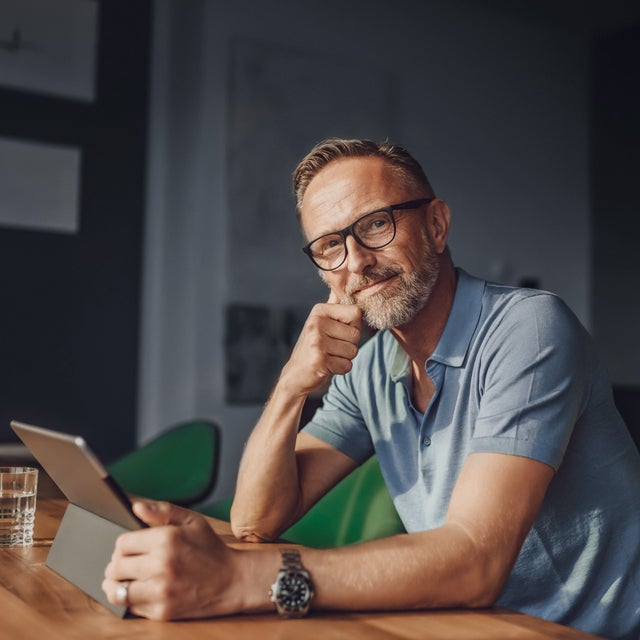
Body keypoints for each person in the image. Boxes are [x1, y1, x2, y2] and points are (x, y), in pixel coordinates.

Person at [103, 138, 640, 639]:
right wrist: (292, 384)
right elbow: (254, 521)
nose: (356, 261)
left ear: (436, 224)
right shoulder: (372, 363)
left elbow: (477, 560)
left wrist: (245, 578)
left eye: (376, 225)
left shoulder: (529, 328)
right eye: (330, 245)